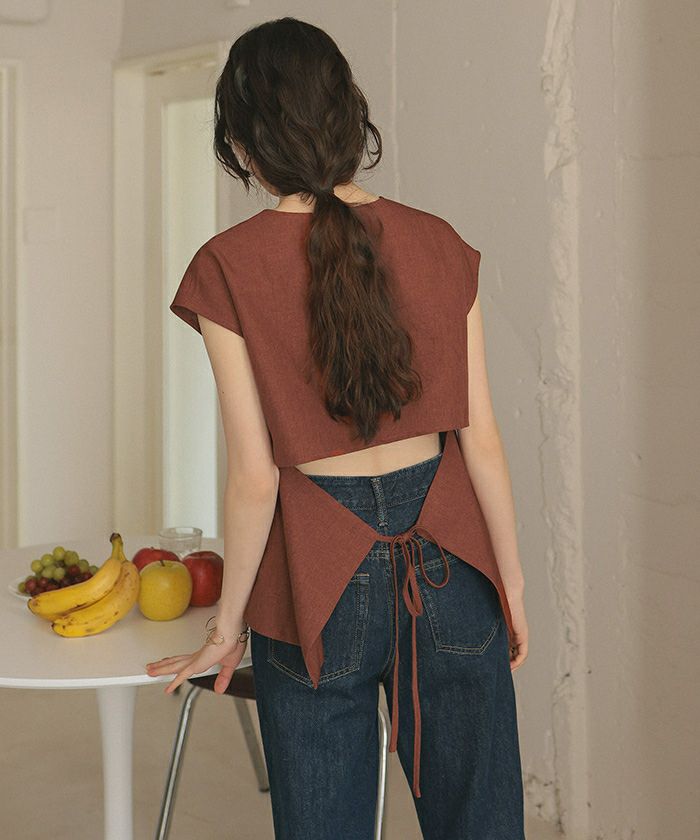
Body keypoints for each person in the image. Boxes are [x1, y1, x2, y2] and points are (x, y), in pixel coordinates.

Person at [146, 16, 528, 840]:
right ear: (350, 116)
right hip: (453, 563)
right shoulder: (440, 243)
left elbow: (255, 476)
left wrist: (226, 628)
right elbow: (483, 441)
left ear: (246, 143)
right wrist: (512, 586)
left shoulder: (227, 265)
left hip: (316, 572)